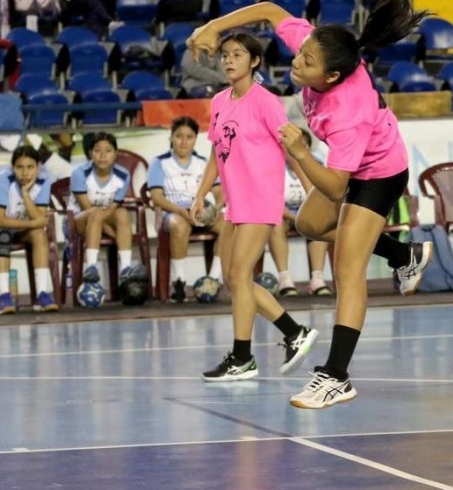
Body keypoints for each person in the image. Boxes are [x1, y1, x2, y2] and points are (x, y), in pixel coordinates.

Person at [188, 0, 433, 409]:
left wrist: (300, 152)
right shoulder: (320, 48)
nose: (297, 63)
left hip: (379, 173)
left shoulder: (348, 113)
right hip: (350, 168)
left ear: (332, 77)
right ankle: (403, 254)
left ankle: (336, 376)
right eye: (301, 54)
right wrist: (214, 26)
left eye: (307, 62)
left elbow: (339, 188)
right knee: (309, 225)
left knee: (347, 268)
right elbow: (270, 10)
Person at [188, 33, 318, 382]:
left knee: (239, 277)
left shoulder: (266, 102)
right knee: (235, 279)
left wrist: (310, 189)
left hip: (261, 198)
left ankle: (244, 356)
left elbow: (292, 147)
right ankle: (293, 332)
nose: (229, 61)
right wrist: (202, 193)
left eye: (238, 55)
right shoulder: (218, 101)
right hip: (234, 200)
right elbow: (217, 151)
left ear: (254, 62)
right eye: (225, 55)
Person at [146, 117, 226, 302]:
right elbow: (157, 198)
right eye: (179, 136)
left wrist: (214, 209)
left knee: (228, 224)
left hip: (202, 212)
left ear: (195, 139)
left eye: (189, 137)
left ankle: (213, 280)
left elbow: (221, 194)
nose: (184, 141)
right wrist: (182, 212)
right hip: (175, 212)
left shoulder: (204, 162)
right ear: (171, 137)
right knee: (178, 224)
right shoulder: (159, 163)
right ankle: (179, 283)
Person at [0, 144, 58, 315]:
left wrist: (26, 194)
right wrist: (33, 223)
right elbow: (0, 220)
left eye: (30, 167)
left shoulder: (44, 182)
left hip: (19, 226)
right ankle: (4, 296)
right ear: (13, 168)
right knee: (3, 234)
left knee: (39, 234)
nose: (25, 172)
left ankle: (42, 294)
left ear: (38, 167)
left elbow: (40, 221)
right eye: (19, 167)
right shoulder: (3, 179)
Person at [267, 128, 332, 297]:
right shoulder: (274, 167)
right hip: (285, 216)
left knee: (319, 223)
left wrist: (306, 217)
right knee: (275, 223)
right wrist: (295, 217)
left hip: (308, 215)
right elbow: (272, 202)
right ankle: (285, 278)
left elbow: (322, 200)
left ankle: (317, 279)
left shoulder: (317, 168)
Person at [69, 131, 136, 288]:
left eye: (108, 151)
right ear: (90, 153)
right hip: (78, 221)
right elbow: (88, 208)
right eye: (97, 151)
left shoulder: (123, 175)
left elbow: (113, 208)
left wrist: (113, 231)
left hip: (104, 218)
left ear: (115, 154)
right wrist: (113, 234)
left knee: (122, 213)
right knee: (96, 212)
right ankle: (91, 267)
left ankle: (125, 268)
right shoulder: (79, 174)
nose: (102, 156)